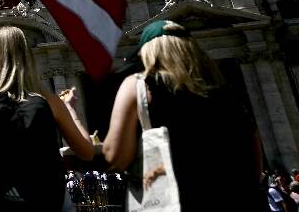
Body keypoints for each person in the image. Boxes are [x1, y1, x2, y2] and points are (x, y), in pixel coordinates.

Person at [103, 20, 265, 211]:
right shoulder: (226, 91)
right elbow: (254, 160)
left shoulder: (138, 85)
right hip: (236, 200)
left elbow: (115, 156)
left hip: (180, 200)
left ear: (147, 52)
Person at [0, 26, 93, 211]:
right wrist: (70, 108)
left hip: (0, 199)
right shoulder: (49, 99)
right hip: (47, 200)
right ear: (27, 55)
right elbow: (87, 151)